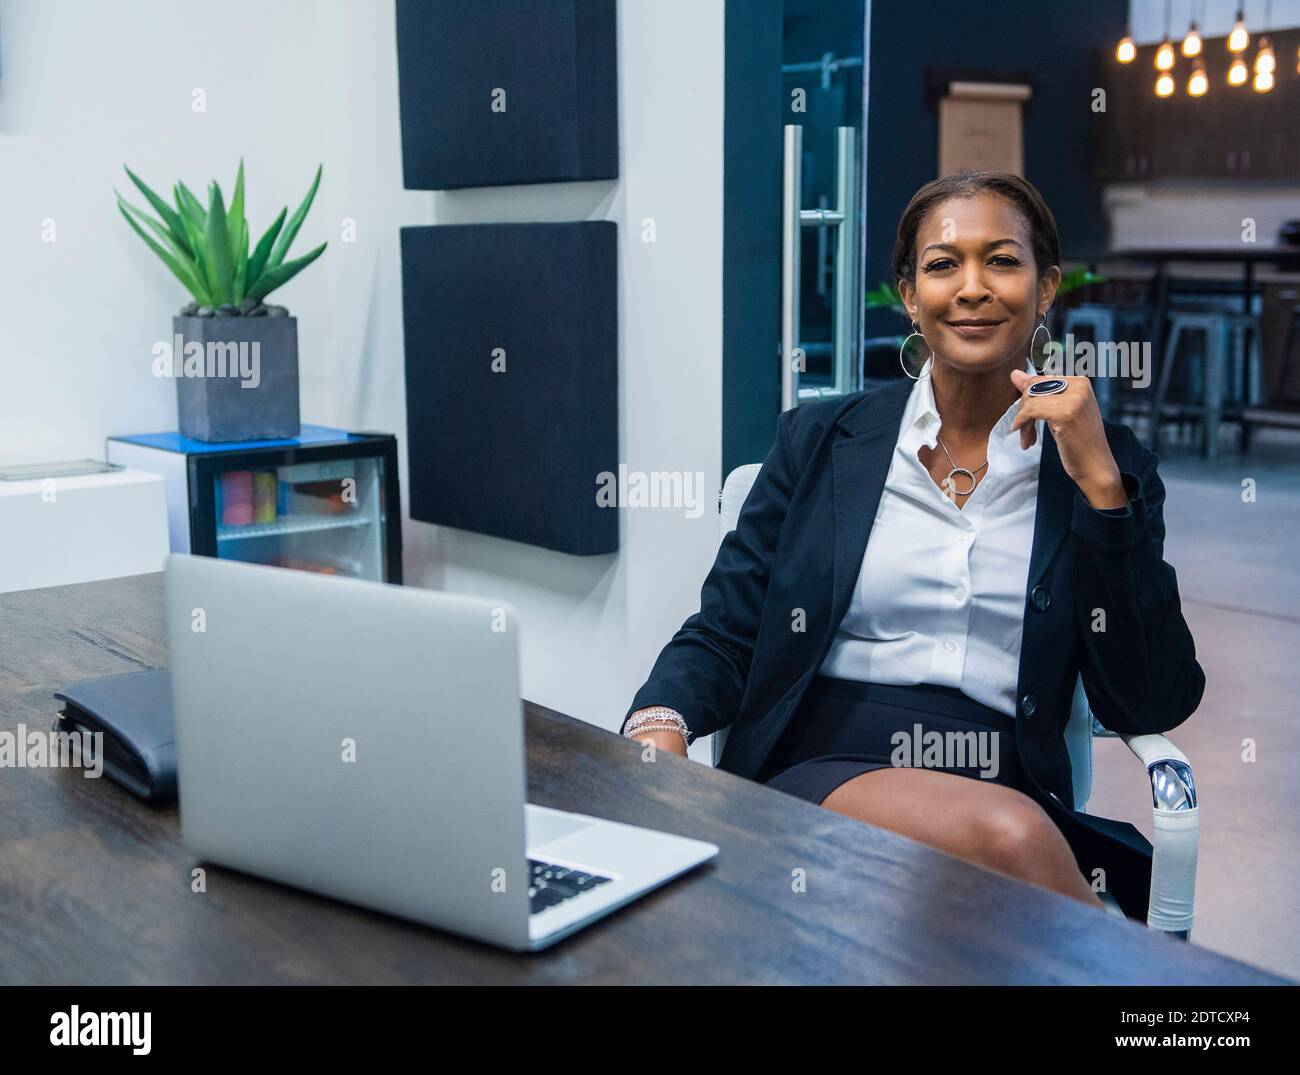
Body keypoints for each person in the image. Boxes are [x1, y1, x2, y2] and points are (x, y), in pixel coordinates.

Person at [621, 171, 1204, 918]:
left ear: (1047, 286)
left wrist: (1102, 493)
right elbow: (727, 629)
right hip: (823, 762)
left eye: (1002, 260)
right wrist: (660, 720)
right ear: (909, 295)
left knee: (1002, 849)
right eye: (941, 264)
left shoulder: (1107, 461)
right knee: (1012, 837)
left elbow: (1149, 697)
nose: (972, 287)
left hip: (1005, 775)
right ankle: (1174, 1027)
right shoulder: (822, 440)